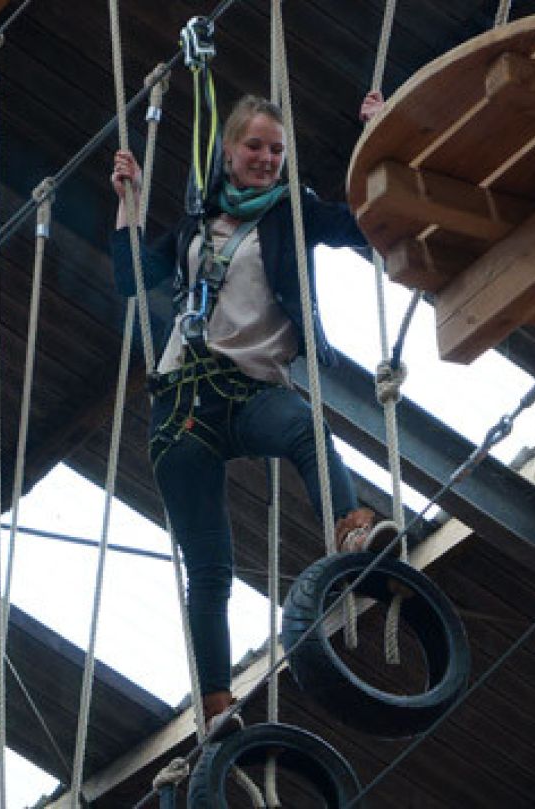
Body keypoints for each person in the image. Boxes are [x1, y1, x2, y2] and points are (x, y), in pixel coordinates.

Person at [108, 90, 388, 733]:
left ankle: (347, 524)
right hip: (183, 407)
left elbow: (363, 225)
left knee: (303, 429)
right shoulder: (195, 227)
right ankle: (214, 701)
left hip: (250, 393)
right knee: (209, 567)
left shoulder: (295, 213)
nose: (266, 158)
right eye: (255, 146)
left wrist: (380, 138)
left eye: (276, 150)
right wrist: (130, 203)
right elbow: (131, 280)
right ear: (229, 152)